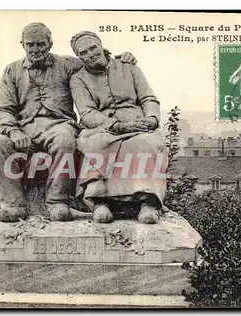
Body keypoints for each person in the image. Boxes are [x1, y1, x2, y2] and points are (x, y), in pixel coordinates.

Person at [0, 23, 137, 223]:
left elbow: (93, 59)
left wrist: (120, 57)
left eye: (41, 44)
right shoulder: (12, 71)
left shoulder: (67, 64)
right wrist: (13, 131)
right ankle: (13, 204)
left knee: (65, 141)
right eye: (30, 45)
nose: (35, 50)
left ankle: (57, 202)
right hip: (24, 126)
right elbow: (3, 109)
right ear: (22, 44)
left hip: (59, 123)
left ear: (50, 44)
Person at [69, 31, 168, 224]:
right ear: (79, 57)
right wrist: (116, 126)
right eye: (83, 53)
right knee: (97, 145)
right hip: (102, 126)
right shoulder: (78, 79)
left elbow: (148, 97)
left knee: (146, 143)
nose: (90, 54)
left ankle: (148, 203)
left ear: (101, 45)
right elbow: (87, 112)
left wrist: (152, 118)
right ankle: (100, 202)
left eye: (93, 48)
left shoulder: (128, 66)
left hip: (137, 121)